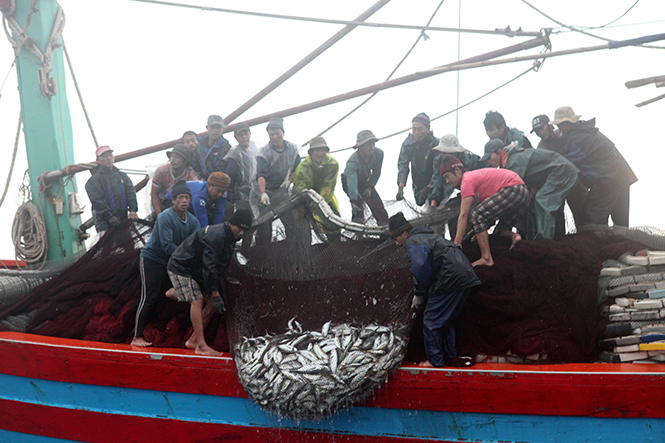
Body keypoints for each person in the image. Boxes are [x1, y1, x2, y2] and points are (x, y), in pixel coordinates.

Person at [391, 211, 480, 368]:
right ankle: (450, 357)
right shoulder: (428, 235)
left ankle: (435, 361)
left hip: (450, 278)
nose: (396, 243)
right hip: (465, 276)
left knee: (432, 320)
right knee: (446, 320)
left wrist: (419, 293)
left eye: (396, 238)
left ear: (404, 232)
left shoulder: (414, 240)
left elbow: (420, 267)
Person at [166, 209, 252, 355]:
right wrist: (215, 292)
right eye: (239, 228)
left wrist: (215, 295)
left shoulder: (231, 237)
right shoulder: (216, 235)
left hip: (195, 271)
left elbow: (219, 267)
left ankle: (192, 341)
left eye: (245, 230)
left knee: (212, 304)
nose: (242, 233)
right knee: (197, 300)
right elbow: (209, 266)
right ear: (231, 223)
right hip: (181, 267)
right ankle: (201, 345)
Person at [131, 181, 201, 347]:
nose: (185, 201)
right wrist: (187, 260)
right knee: (149, 296)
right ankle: (136, 335)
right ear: (173, 200)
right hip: (153, 259)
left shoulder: (192, 221)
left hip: (173, 261)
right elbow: (167, 245)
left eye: (187, 197)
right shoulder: (165, 217)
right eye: (181, 197)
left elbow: (197, 243)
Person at [550, 106, 637, 227]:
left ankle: (603, 245)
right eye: (559, 125)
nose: (562, 127)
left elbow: (564, 162)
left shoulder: (577, 138)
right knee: (620, 222)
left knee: (592, 218)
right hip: (621, 176)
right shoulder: (585, 129)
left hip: (609, 179)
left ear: (572, 121)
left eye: (565, 123)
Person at [480, 138, 580, 240]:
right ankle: (535, 238)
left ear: (500, 151)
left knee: (543, 200)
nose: (488, 161)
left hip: (562, 172)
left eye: (489, 157)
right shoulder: (510, 161)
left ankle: (544, 240)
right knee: (532, 204)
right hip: (557, 174)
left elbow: (511, 192)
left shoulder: (514, 160)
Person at [440, 155, 529, 267]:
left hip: (513, 188)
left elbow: (464, 214)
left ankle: (486, 258)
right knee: (500, 231)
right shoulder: (475, 179)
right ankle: (515, 236)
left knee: (476, 215)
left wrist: (457, 243)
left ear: (457, 171)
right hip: (522, 193)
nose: (447, 181)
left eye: (447, 176)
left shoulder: (467, 180)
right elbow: (490, 213)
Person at [253, 117, 301, 244]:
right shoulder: (264, 152)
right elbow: (261, 175)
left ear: (283, 133)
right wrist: (263, 193)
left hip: (281, 188)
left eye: (277, 133)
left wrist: (289, 181)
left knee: (289, 218)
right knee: (264, 220)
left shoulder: (292, 148)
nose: (275, 137)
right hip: (265, 188)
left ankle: (292, 246)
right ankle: (263, 250)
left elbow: (297, 167)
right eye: (271, 134)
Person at [85, 145, 139, 233]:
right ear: (98, 160)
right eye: (105, 156)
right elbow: (97, 201)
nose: (108, 158)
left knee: (127, 243)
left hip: (123, 219)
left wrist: (133, 210)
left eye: (110, 155)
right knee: (108, 245)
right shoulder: (94, 180)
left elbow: (131, 193)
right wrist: (109, 216)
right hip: (104, 223)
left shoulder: (122, 176)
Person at [341, 130, 389, 225]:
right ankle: (358, 229)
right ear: (360, 147)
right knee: (358, 205)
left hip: (365, 181)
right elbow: (352, 183)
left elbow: (376, 173)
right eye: (367, 145)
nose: (371, 147)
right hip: (349, 181)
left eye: (372, 143)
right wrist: (353, 201)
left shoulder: (378, 154)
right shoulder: (352, 162)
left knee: (376, 203)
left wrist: (370, 187)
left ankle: (384, 226)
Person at [429, 134, 484, 208]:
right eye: (441, 152)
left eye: (446, 152)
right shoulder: (438, 161)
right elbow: (437, 180)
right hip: (461, 189)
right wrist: (434, 198)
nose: (443, 155)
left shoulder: (470, 159)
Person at [396, 113, 439, 205]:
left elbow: (438, 171)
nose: (417, 133)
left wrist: (429, 187)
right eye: (414, 129)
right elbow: (403, 165)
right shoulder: (408, 144)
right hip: (418, 184)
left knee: (434, 206)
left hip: (436, 183)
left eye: (420, 129)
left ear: (428, 128)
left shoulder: (436, 144)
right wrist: (400, 188)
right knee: (420, 203)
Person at [292, 136, 340, 215]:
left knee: (334, 222)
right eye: (317, 150)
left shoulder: (333, 164)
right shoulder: (303, 167)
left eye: (323, 150)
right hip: (304, 199)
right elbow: (302, 188)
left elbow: (328, 186)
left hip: (325, 198)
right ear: (311, 152)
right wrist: (309, 202)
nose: (321, 153)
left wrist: (320, 202)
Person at [163, 172, 230, 228]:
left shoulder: (223, 194)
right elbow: (202, 221)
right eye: (218, 191)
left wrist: (217, 232)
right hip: (171, 202)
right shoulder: (199, 197)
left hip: (191, 204)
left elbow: (219, 212)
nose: (220, 194)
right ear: (209, 186)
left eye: (223, 191)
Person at [222, 122, 258, 220]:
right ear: (236, 138)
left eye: (246, 133)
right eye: (240, 135)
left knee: (262, 220)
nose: (244, 137)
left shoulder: (255, 147)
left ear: (250, 133)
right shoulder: (234, 153)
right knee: (245, 222)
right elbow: (229, 174)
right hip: (241, 196)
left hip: (257, 191)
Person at [150, 143, 198, 216]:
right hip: (161, 203)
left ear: (185, 161)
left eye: (177, 157)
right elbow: (154, 194)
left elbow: (193, 198)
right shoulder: (161, 171)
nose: (173, 159)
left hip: (181, 205)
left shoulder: (191, 176)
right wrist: (159, 215)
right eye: (172, 156)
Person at [193, 115, 232, 179]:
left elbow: (221, 169)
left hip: (217, 183)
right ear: (207, 127)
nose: (215, 130)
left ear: (223, 129)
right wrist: (200, 178)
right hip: (201, 182)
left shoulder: (226, 147)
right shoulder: (198, 144)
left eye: (218, 127)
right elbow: (194, 165)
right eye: (213, 127)